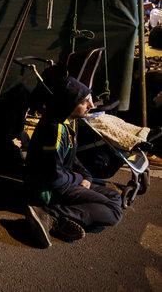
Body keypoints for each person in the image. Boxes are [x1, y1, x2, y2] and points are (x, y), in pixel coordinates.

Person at [24, 77, 123, 248]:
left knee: (114, 196)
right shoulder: (55, 130)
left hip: (65, 180)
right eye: (85, 101)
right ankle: (50, 214)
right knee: (114, 212)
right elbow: (52, 178)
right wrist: (79, 180)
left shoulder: (70, 121)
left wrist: (86, 176)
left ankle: (64, 218)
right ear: (69, 103)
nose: (91, 105)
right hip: (49, 189)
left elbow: (72, 158)